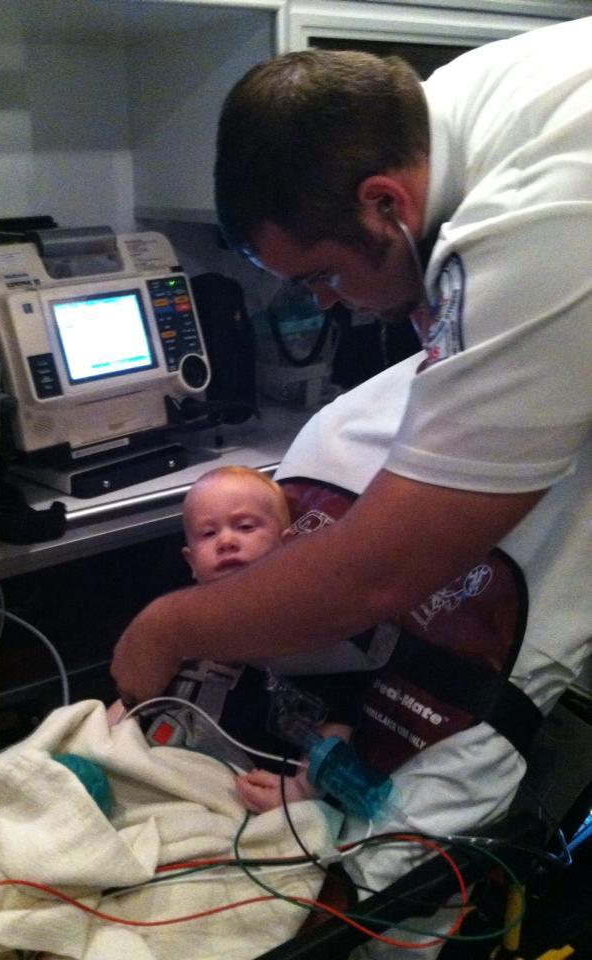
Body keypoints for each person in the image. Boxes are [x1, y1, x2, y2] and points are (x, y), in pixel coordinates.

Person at [111, 19, 591, 955]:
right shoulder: (441, 118)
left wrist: (163, 628)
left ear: (384, 203)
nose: (325, 302)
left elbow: (378, 578)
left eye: (325, 273)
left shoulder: (542, 220)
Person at [111, 465, 356, 811]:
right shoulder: (175, 628)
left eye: (245, 527)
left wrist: (303, 789)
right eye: (208, 533)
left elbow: (336, 725)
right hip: (158, 769)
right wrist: (104, 739)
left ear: (288, 545)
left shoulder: (309, 636)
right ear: (190, 561)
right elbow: (132, 700)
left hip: (243, 791)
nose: (226, 541)